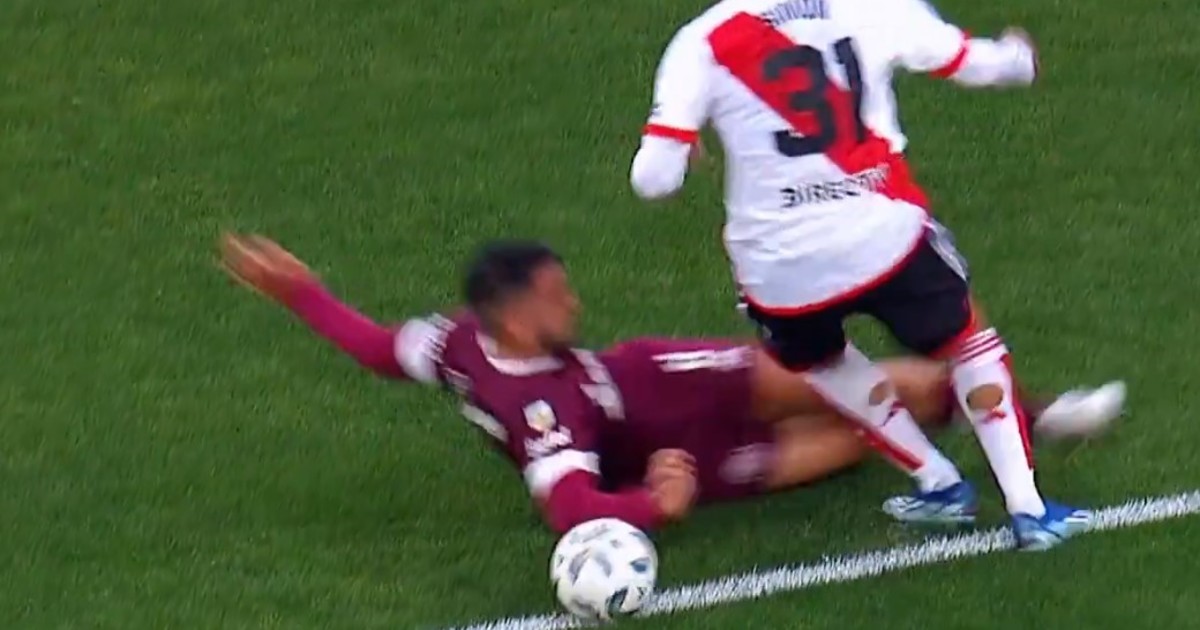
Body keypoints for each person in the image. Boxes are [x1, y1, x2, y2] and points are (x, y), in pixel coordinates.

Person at [218, 234, 1123, 535]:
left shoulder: (456, 340)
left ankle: (1037, 418)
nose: (574, 301)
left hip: (665, 378)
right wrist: (656, 503)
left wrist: (301, 293)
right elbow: (570, 505)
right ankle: (981, 439)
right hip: (682, 456)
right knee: (858, 443)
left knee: (885, 389)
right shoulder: (541, 411)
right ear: (517, 319)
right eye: (556, 297)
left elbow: (381, 349)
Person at [627, 0, 1102, 550]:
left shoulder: (702, 40)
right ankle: (1029, 510)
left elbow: (654, 181)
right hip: (881, 235)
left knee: (825, 364)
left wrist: (684, 147)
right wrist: (1017, 57)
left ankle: (939, 483)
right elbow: (969, 62)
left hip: (778, 267)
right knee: (969, 343)